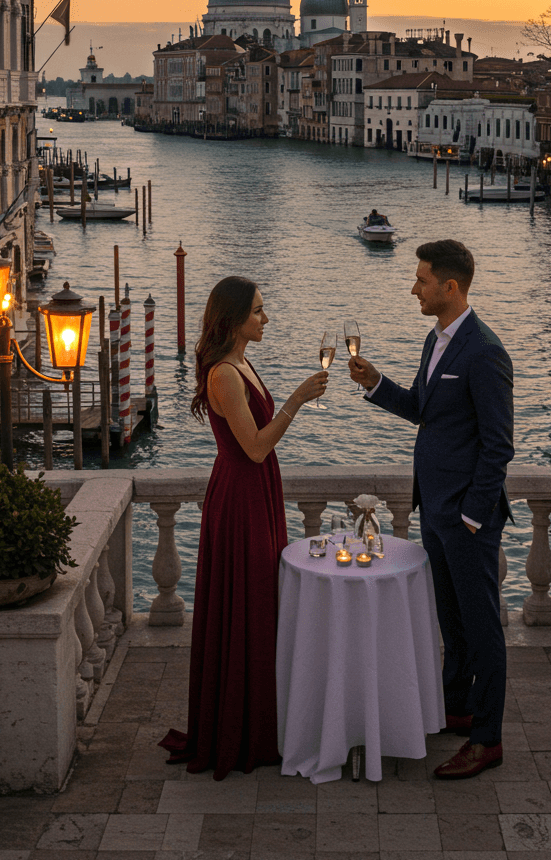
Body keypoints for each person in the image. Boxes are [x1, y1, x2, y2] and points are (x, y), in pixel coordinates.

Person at [348, 239, 514, 781]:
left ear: (451, 286)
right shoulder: (435, 340)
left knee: (482, 627)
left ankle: (487, 739)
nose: (413, 288)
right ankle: (456, 707)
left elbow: (498, 445)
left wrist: (471, 514)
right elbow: (424, 410)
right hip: (435, 510)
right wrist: (376, 385)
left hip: (465, 518)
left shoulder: (485, 352)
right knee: (453, 620)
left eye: (421, 280)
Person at [159, 276, 328, 779]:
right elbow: (254, 447)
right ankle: (241, 728)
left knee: (262, 603)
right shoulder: (224, 376)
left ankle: (261, 719)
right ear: (233, 320)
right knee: (248, 603)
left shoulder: (241, 363)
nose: (266, 318)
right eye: (258, 311)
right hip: (240, 497)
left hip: (259, 491)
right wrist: (296, 400)